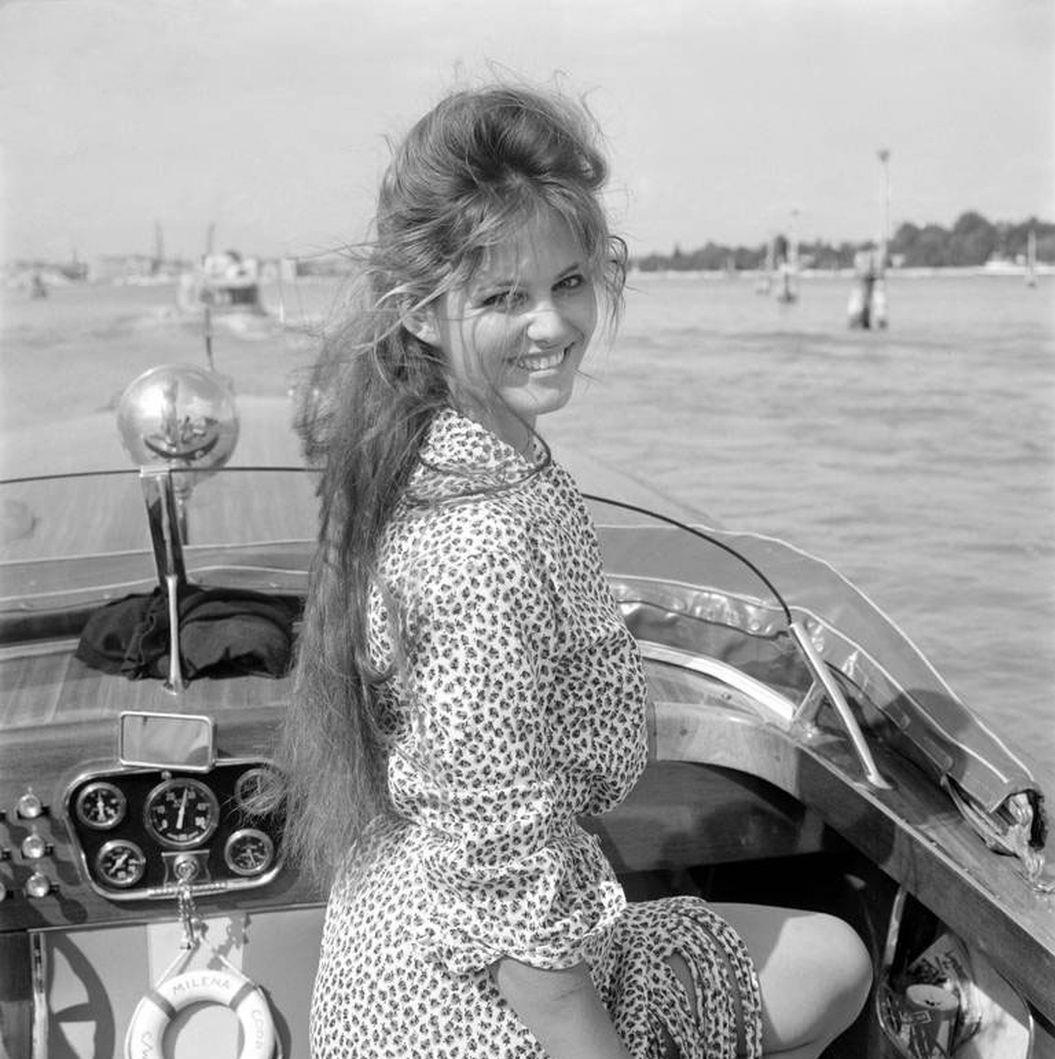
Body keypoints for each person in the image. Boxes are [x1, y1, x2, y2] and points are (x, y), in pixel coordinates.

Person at [271, 82, 872, 1059]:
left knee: (819, 959)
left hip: (404, 945)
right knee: (833, 963)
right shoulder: (480, 550)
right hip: (466, 1007)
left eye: (569, 281)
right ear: (418, 313)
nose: (551, 325)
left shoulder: (441, 456)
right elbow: (505, 883)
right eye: (502, 297)